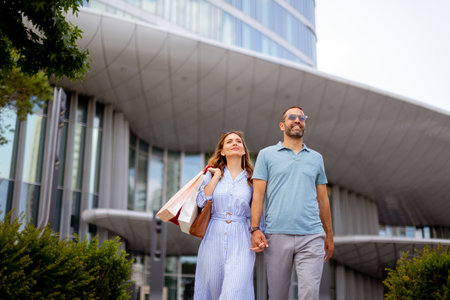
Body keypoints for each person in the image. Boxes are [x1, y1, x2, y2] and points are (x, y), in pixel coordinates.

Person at [250, 106, 334, 300]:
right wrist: (255, 228)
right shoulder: (266, 155)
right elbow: (258, 195)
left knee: (310, 294)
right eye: (292, 117)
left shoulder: (316, 158)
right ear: (282, 125)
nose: (297, 120)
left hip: (312, 235)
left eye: (302, 117)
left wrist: (328, 234)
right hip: (277, 234)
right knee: (278, 295)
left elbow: (323, 199)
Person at [194, 131, 255, 299]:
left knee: (234, 291)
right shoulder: (211, 174)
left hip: (242, 238)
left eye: (238, 141)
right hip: (214, 235)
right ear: (222, 151)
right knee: (211, 289)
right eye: (229, 142)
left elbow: (258, 212)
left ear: (243, 150)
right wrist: (216, 177)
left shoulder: (252, 180)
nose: (234, 143)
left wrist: (259, 231)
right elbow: (201, 201)